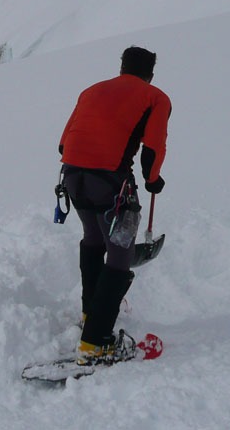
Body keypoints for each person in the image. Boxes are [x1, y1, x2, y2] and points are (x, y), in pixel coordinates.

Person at [58, 46, 172, 364]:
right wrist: (153, 180)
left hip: (72, 179)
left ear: (121, 68)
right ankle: (96, 343)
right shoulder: (155, 97)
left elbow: (63, 143)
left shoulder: (90, 90)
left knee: (94, 239)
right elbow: (151, 149)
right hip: (110, 185)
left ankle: (89, 315)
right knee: (120, 255)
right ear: (150, 73)